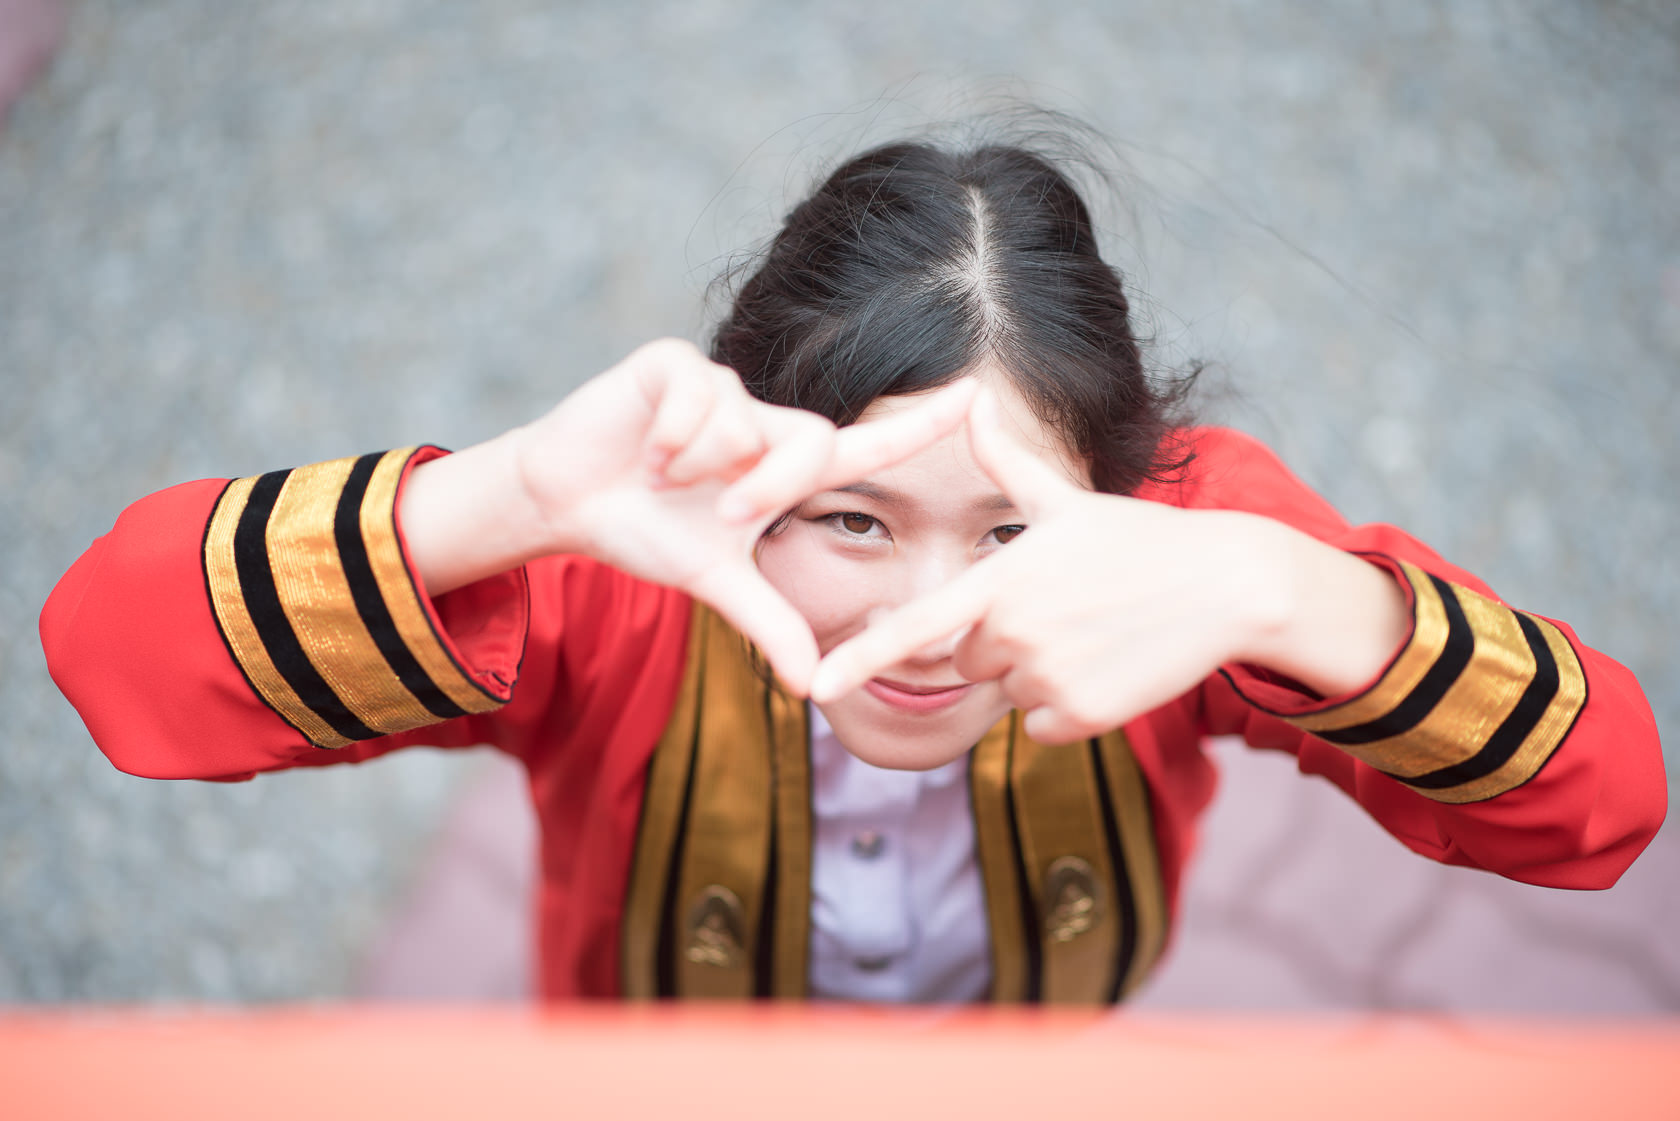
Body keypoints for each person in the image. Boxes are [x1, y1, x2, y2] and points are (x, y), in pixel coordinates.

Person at [41, 137, 1666, 1005]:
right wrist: (508, 494)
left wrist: (1281, 591)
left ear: (1125, 481)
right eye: (855, 520)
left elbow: (1603, 799)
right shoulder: (623, 570)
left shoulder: (1177, 557)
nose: (929, 617)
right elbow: (110, 648)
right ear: (749, 461)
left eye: (1011, 532)